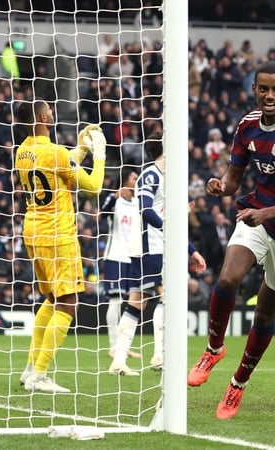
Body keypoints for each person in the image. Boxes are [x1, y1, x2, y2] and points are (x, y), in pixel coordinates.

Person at [187, 60, 275, 420]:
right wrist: (221, 187)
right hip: (257, 214)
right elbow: (234, 178)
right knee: (228, 278)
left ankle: (237, 385)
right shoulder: (246, 125)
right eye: (264, 88)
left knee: (263, 314)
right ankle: (214, 348)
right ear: (254, 89)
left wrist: (266, 213)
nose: (270, 95)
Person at [15, 100, 106, 393]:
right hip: (58, 235)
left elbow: (59, 167)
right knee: (68, 302)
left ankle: (30, 368)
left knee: (52, 299)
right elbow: (93, 186)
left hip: (33, 231)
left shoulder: (22, 151)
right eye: (50, 111)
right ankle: (40, 376)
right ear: (43, 116)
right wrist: (99, 155)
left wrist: (79, 149)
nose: (53, 113)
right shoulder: (54, 152)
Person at [109, 130, 206, 376]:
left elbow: (168, 218)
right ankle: (160, 355)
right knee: (168, 296)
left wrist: (191, 251)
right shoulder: (151, 174)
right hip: (149, 247)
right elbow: (146, 210)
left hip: (157, 245)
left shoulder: (168, 176)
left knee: (137, 302)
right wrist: (168, 226)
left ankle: (119, 359)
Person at [99, 166, 141, 360]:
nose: (137, 180)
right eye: (134, 178)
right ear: (125, 180)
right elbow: (102, 212)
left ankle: (123, 347)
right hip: (114, 256)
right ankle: (113, 346)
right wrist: (115, 196)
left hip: (131, 258)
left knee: (129, 302)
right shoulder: (113, 199)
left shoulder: (139, 203)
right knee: (115, 301)